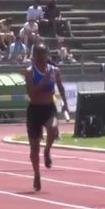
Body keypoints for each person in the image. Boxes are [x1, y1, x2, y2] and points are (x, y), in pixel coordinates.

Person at [23, 44, 69, 192]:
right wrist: (43, 81)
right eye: (39, 54)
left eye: (44, 54)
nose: (42, 57)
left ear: (48, 55)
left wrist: (65, 104)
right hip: (35, 110)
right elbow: (31, 93)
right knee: (34, 149)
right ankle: (37, 174)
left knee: (53, 127)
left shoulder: (54, 71)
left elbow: (60, 87)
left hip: (49, 108)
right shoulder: (29, 72)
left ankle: (47, 150)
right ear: (34, 55)